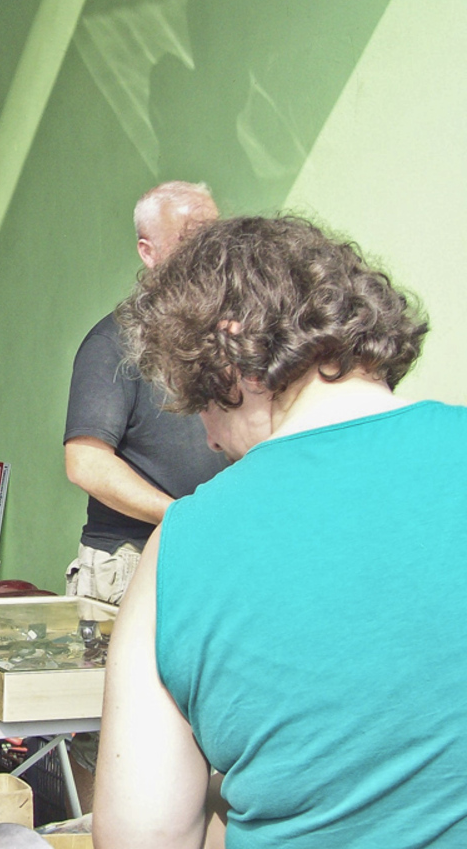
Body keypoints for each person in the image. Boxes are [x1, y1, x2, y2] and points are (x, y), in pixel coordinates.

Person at [93, 216, 464, 848]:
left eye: (198, 402)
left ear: (232, 353)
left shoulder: (185, 544)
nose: (210, 440)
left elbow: (144, 836)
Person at [63, 181, 226, 605]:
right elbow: (85, 463)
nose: (207, 254)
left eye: (214, 238)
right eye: (188, 240)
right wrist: (179, 515)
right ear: (147, 252)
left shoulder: (231, 334)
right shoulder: (113, 342)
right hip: (131, 559)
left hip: (216, 553)